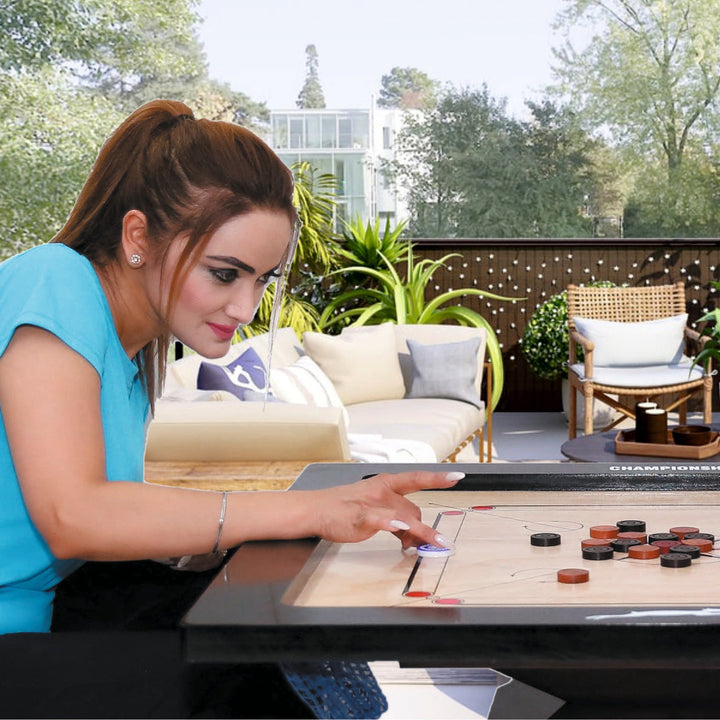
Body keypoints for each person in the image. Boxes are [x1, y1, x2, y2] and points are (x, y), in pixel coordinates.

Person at [0, 99, 462, 718]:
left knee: (271, 613)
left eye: (262, 279)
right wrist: (308, 508)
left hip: (53, 606)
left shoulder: (136, 348)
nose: (245, 307)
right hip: (20, 633)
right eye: (224, 275)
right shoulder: (54, 281)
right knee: (240, 674)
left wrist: (289, 527)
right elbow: (74, 513)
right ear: (138, 236)